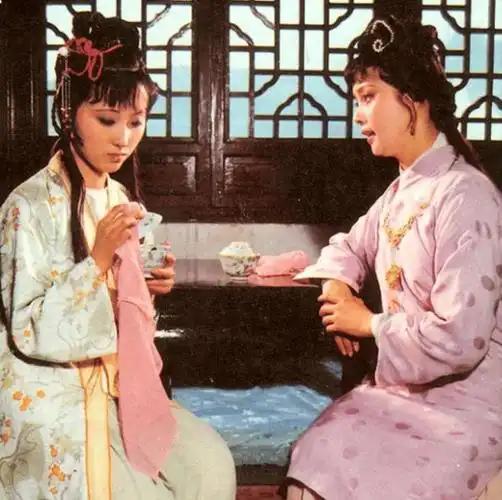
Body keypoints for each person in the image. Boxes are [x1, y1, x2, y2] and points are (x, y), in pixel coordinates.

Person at [0, 12, 235, 500]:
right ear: (70, 112)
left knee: (209, 467)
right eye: (107, 120)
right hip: (49, 386)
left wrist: (145, 289)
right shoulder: (27, 206)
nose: (123, 138)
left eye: (135, 122)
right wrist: (99, 262)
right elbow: (27, 329)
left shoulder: (118, 197)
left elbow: (121, 309)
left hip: (116, 378)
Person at [285, 15, 502, 500]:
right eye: (356, 100)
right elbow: (347, 246)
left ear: (413, 97)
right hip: (404, 393)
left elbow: (462, 339)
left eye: (368, 97)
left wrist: (368, 324)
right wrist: (337, 289)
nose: (358, 115)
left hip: (469, 404)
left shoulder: (466, 195)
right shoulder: (404, 189)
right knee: (314, 455)